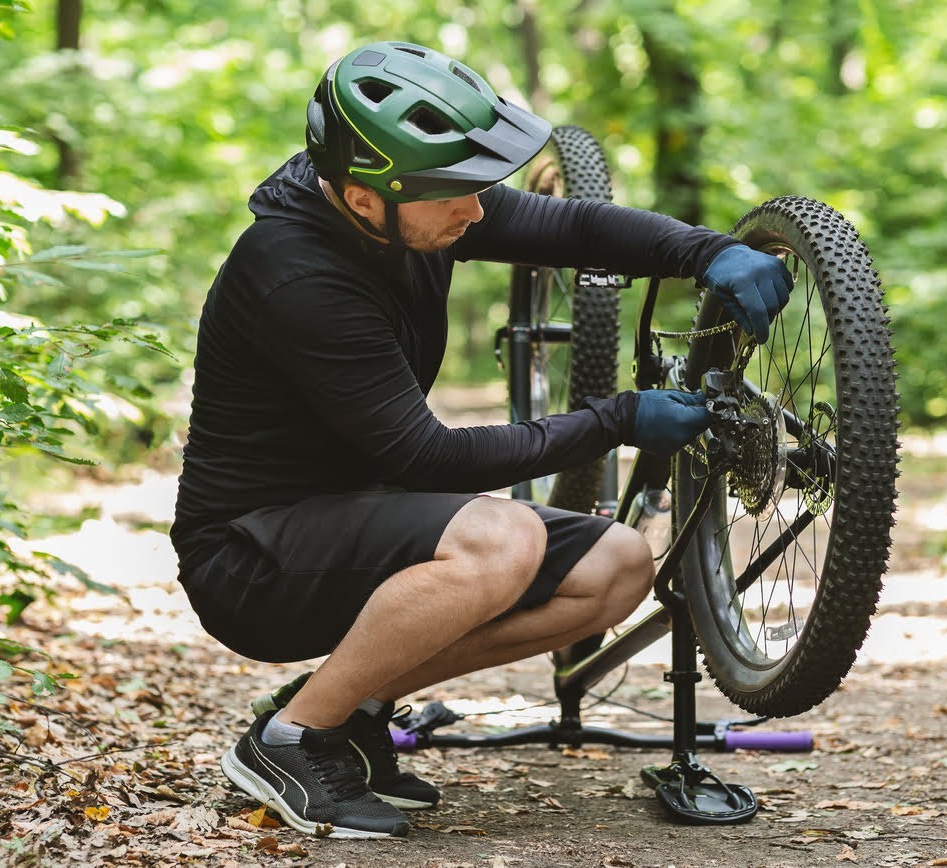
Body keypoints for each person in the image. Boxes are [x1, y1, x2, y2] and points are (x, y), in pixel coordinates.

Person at [170, 41, 792, 840]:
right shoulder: (296, 273)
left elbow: (576, 227)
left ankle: (345, 707)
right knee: (502, 540)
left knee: (617, 568)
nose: (477, 209)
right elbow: (425, 458)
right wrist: (618, 421)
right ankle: (290, 743)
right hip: (252, 557)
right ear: (365, 198)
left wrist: (707, 251)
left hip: (358, 517)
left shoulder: (412, 212)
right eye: (457, 194)